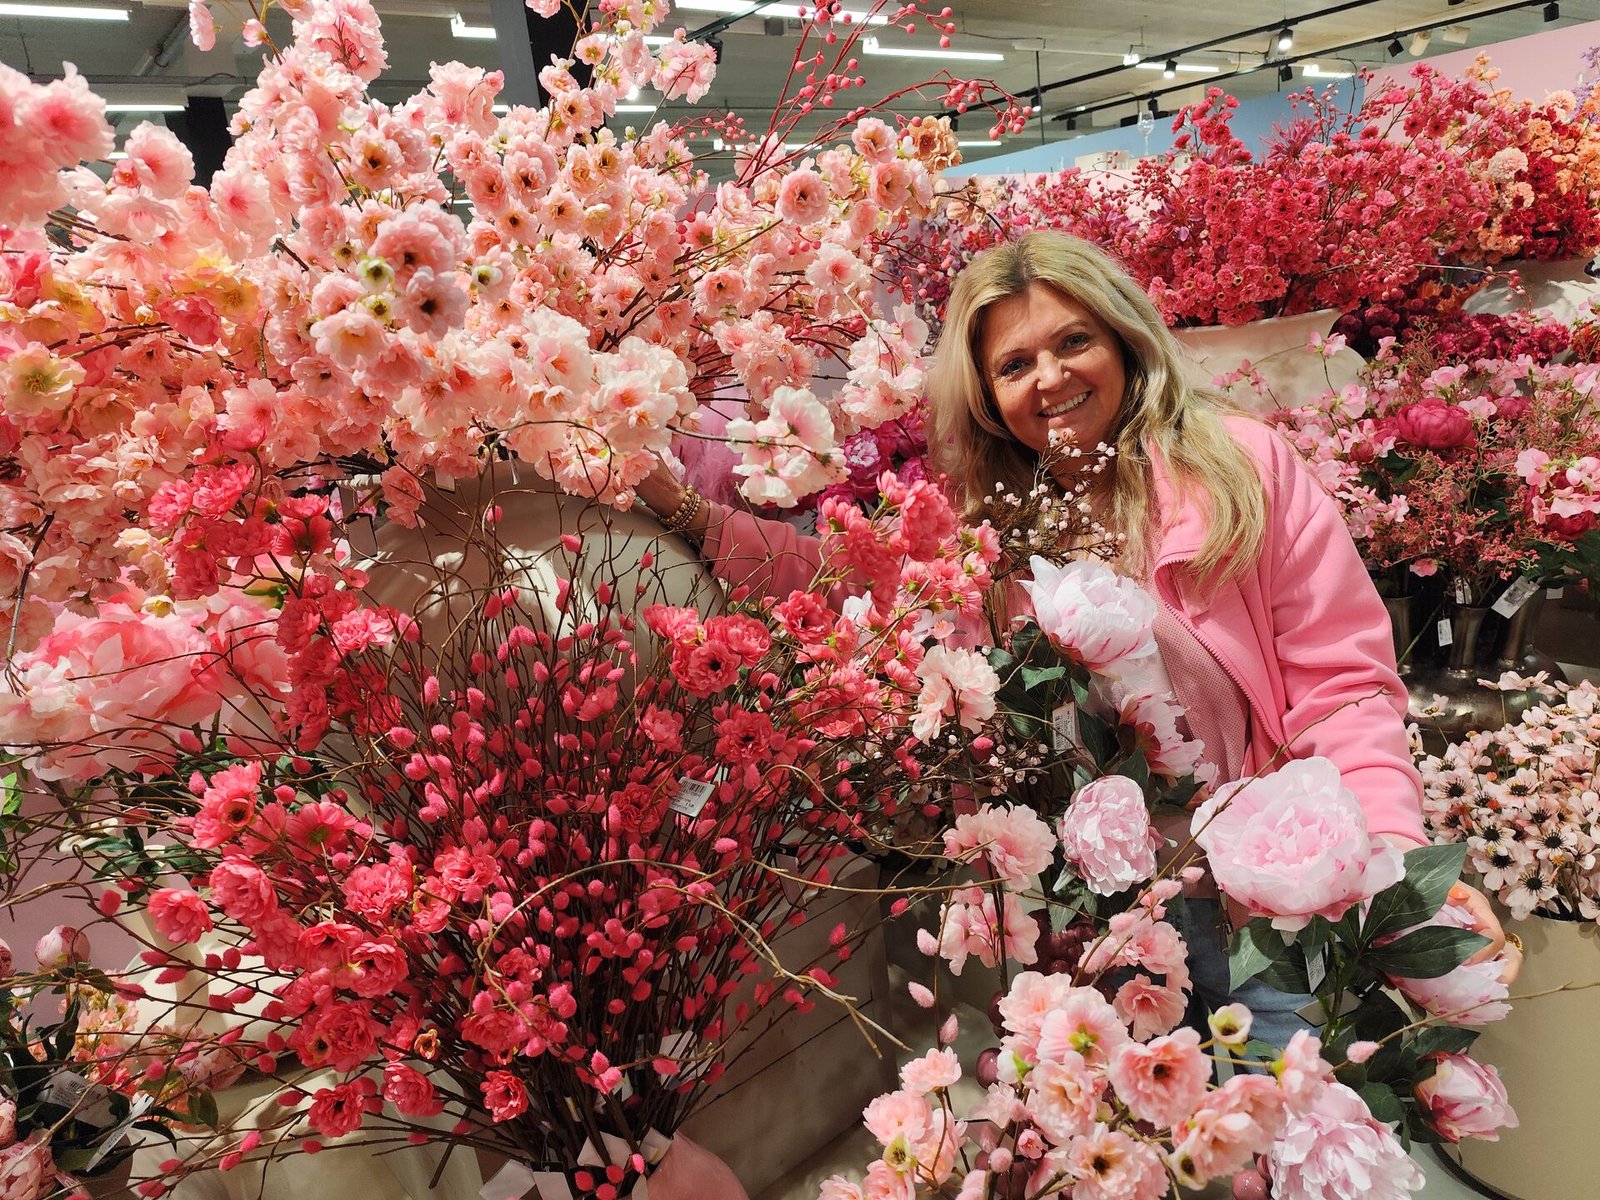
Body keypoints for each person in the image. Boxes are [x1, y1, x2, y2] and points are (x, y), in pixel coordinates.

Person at [636, 230, 1517, 1039]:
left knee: (1296, 1111)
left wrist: (1393, 860)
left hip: (1268, 896)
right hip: (1090, 915)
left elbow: (1342, 688)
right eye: (1015, 363)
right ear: (988, 396)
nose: (1050, 378)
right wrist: (686, 513)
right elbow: (851, 586)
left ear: (1124, 340)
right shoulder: (981, 530)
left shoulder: (1241, 468)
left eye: (1073, 341)